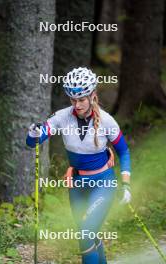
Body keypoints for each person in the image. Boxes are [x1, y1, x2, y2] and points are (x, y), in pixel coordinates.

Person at [26, 67, 131, 264]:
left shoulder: (108, 121)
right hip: (77, 185)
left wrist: (126, 184)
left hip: (103, 183)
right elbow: (34, 142)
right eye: (73, 100)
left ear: (92, 96)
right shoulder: (62, 116)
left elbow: (124, 151)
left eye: (82, 99)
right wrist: (33, 134)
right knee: (88, 233)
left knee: (85, 231)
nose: (77, 104)